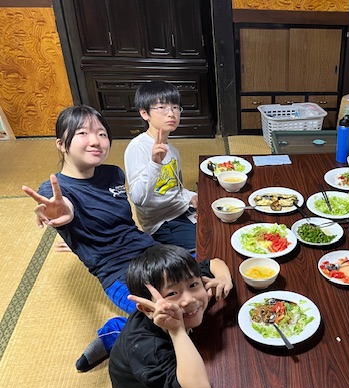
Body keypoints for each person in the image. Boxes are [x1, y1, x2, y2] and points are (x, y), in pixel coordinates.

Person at [21, 105, 232, 372]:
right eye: (83, 133)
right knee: (172, 318)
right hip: (118, 274)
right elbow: (64, 209)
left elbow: (120, 224)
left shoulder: (113, 174)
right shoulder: (56, 191)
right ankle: (115, 332)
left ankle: (139, 322)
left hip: (151, 252)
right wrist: (64, 215)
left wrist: (223, 278)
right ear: (61, 144)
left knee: (217, 286)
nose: (95, 141)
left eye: (102, 133)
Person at [109, 244, 213, 388]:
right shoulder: (146, 348)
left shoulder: (187, 294)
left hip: (178, 383)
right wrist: (177, 330)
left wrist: (223, 280)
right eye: (172, 293)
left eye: (193, 285)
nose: (189, 299)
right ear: (147, 308)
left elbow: (214, 264)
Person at [125, 81, 197, 249]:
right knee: (205, 251)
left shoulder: (172, 149)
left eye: (175, 107)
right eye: (162, 107)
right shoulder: (138, 147)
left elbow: (176, 188)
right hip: (163, 223)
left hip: (183, 210)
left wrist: (191, 196)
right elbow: (138, 199)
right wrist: (154, 164)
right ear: (144, 113)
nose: (171, 113)